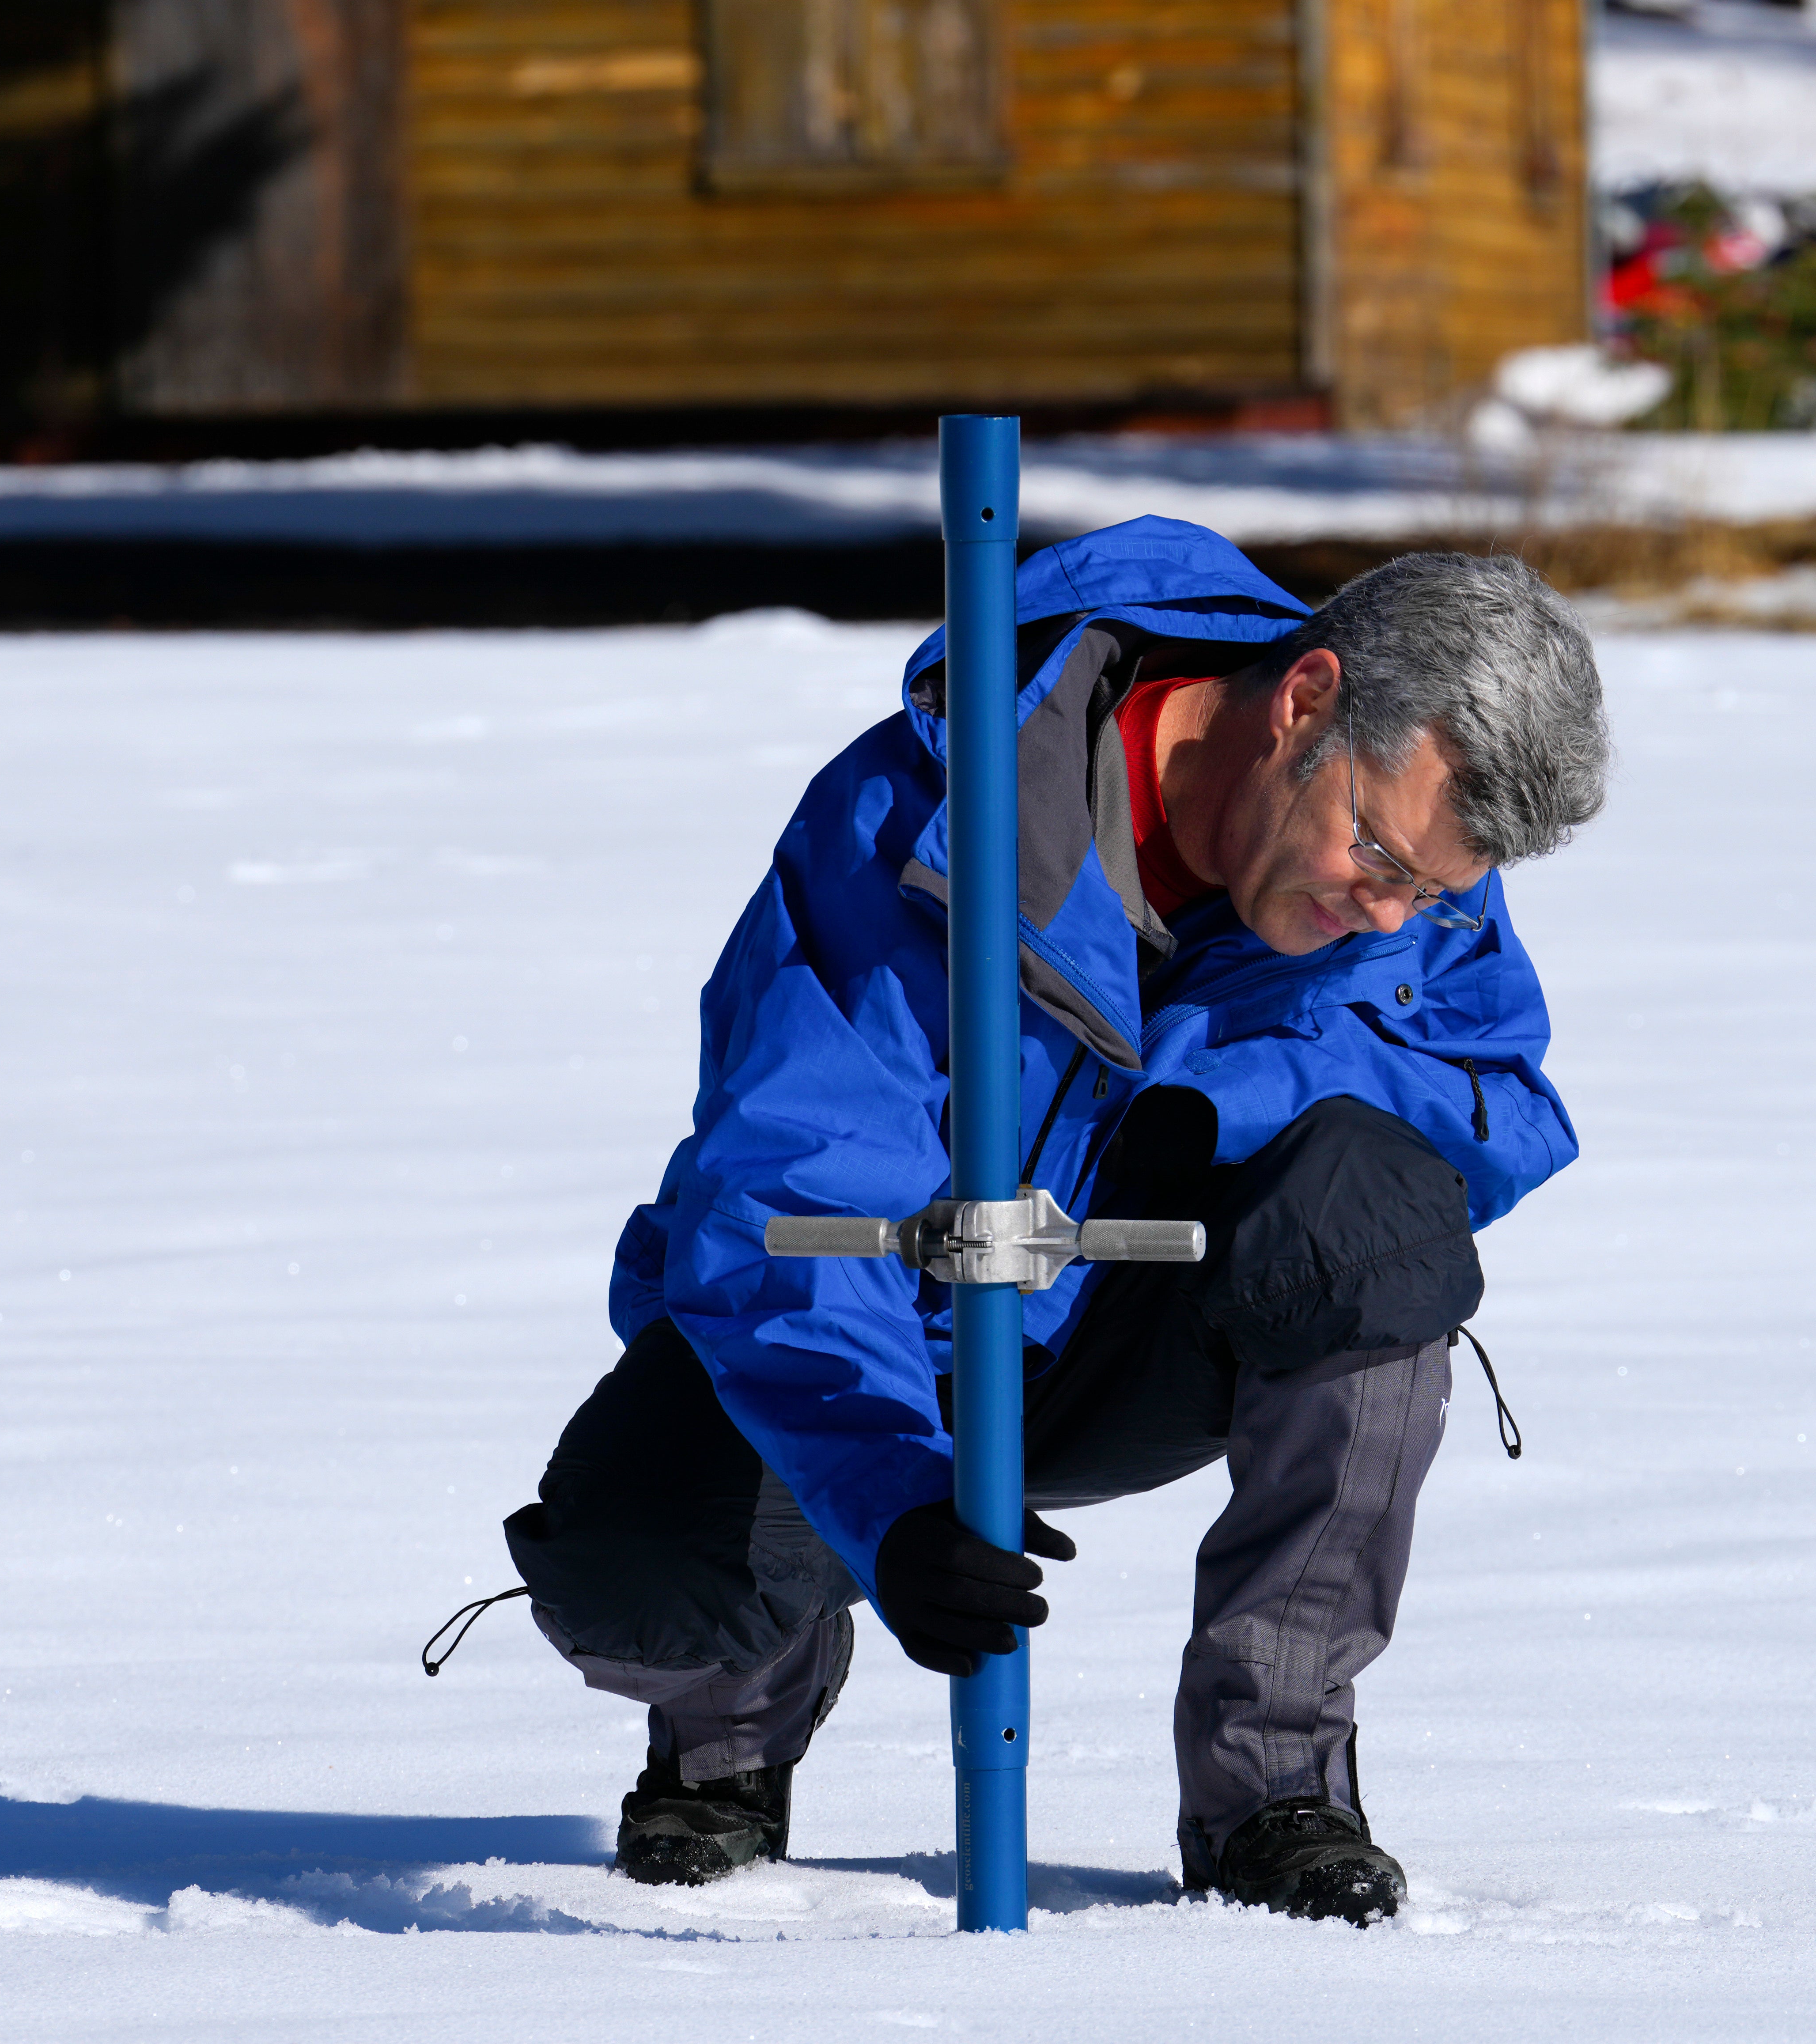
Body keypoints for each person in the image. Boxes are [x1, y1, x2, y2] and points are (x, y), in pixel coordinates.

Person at [500, 517, 1609, 1924]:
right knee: (633, 1564)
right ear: (1307, 697)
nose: (1390, 916)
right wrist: (893, 1502)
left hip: (1140, 1323)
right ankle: (731, 1729)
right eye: (1377, 858)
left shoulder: (1413, 874)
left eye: (1431, 893)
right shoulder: (926, 820)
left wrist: (1213, 1098)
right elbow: (786, 1198)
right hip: (892, 1337)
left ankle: (1274, 1792)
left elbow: (1498, 1098)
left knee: (1373, 1212)